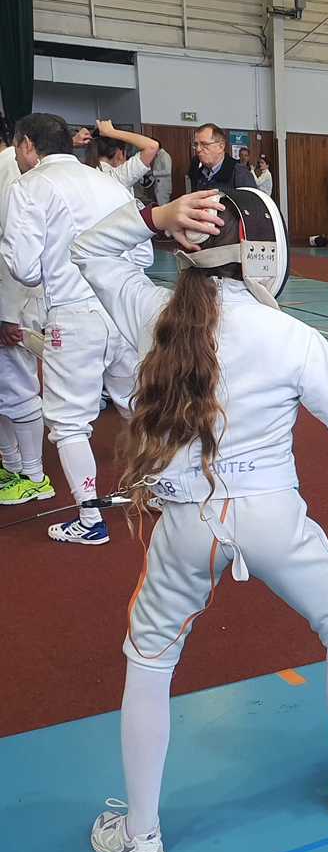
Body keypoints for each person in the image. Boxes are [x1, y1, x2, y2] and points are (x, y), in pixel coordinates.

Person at [68, 186, 328, 852]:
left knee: (151, 661)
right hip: (272, 519)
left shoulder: (152, 314)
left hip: (183, 522)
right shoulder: (290, 337)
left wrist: (156, 219)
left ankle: (141, 837)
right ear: (265, 254)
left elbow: (90, 251)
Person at [1, 113, 154, 544]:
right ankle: (161, 487)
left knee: (69, 422)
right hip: (123, 308)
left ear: (27, 145)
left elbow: (24, 268)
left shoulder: (30, 186)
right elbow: (143, 254)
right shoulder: (107, 182)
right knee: (136, 403)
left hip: (73, 313)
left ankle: (90, 519)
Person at [0, 116, 52, 506]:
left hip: (16, 299)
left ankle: (33, 475)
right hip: (13, 296)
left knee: (16, 384)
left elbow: (15, 251)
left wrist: (7, 314)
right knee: (5, 390)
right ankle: (13, 464)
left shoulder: (11, 171)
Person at [87, 120, 160, 191]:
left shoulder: (87, 172)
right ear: (120, 154)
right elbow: (152, 146)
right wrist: (111, 132)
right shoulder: (117, 177)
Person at [186, 124, 255, 195]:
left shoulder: (240, 173)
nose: (198, 149)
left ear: (221, 146)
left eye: (204, 144)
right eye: (196, 145)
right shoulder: (198, 173)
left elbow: (252, 201)